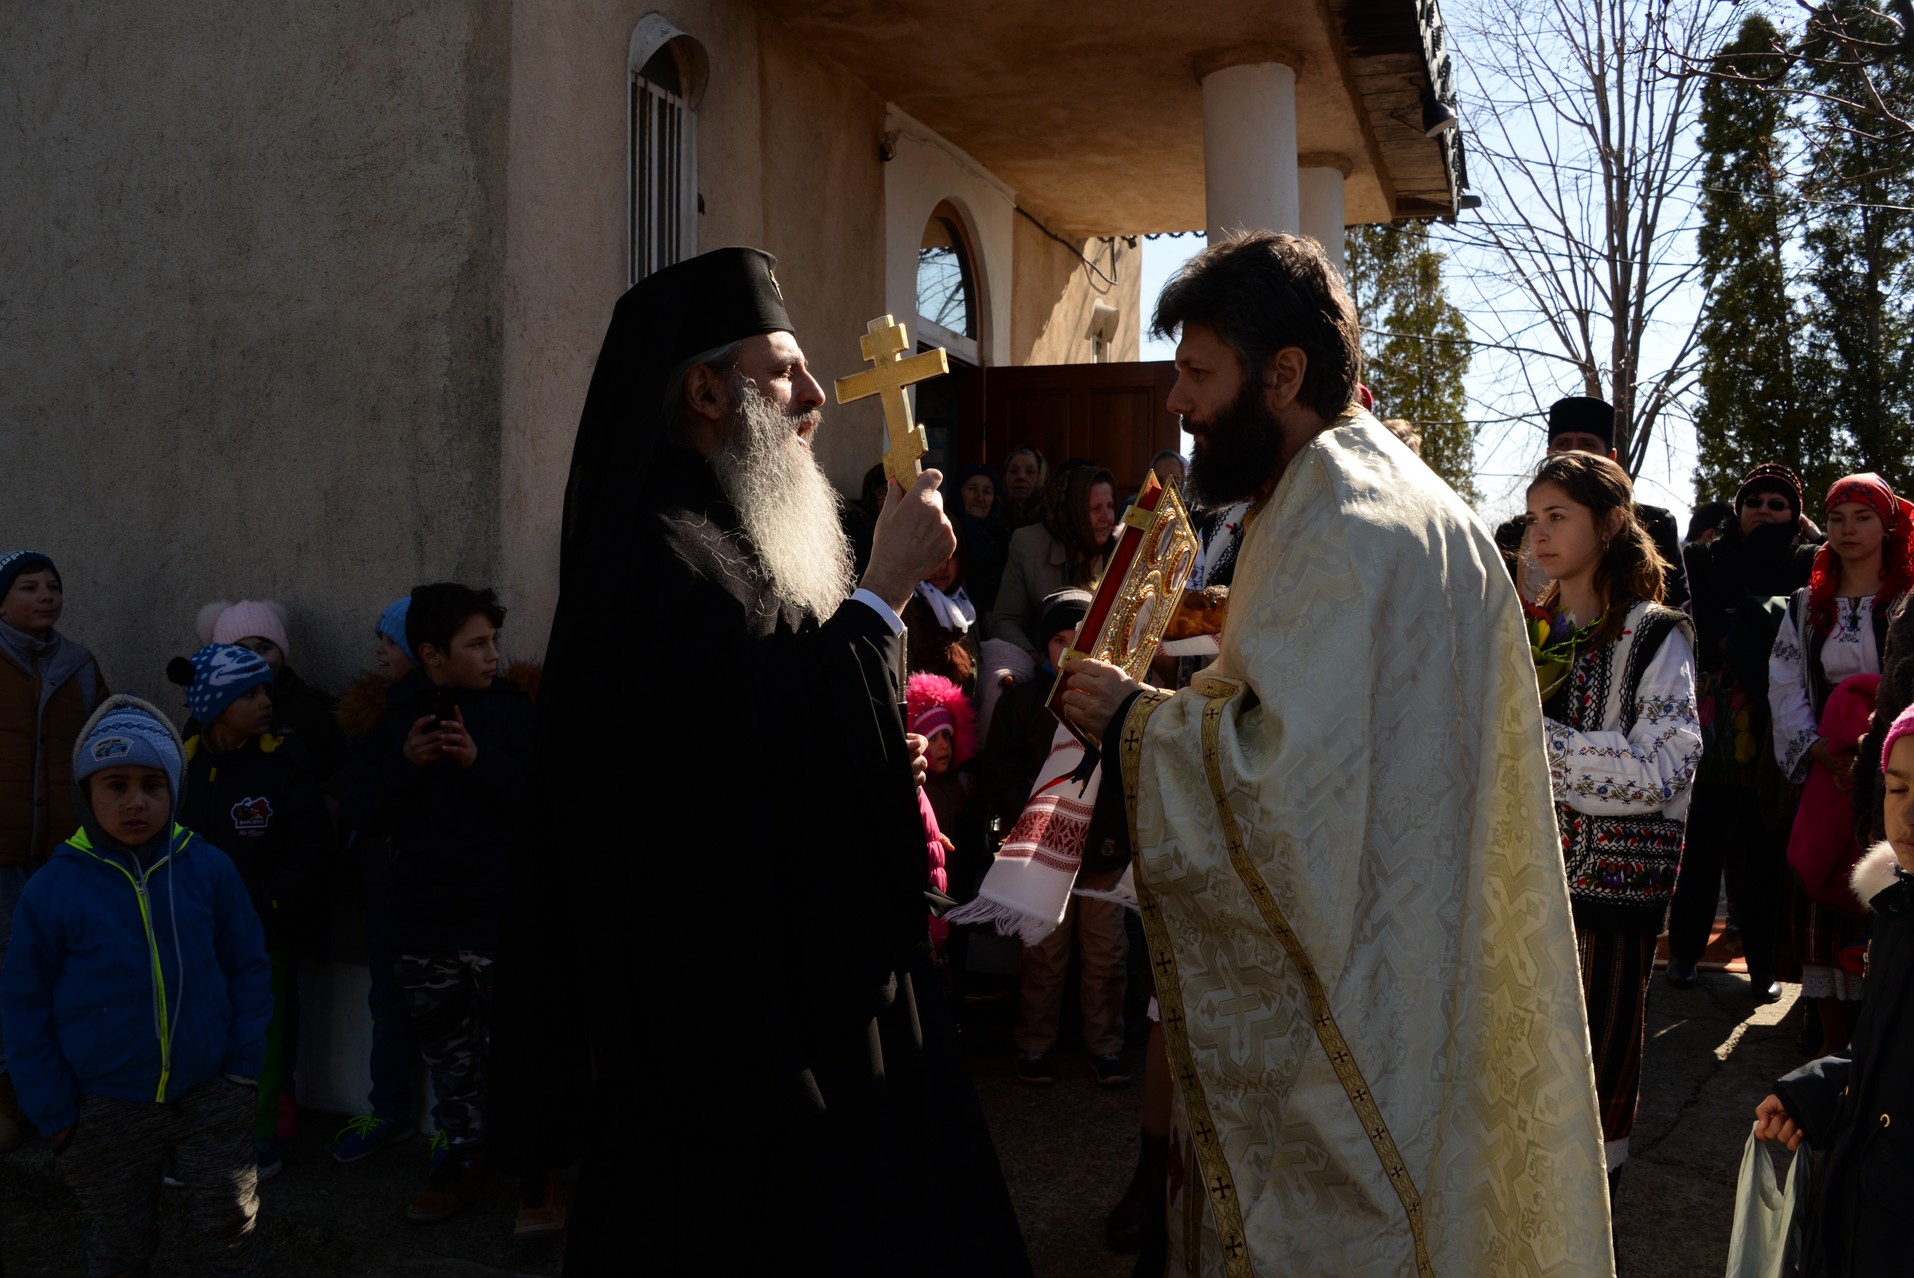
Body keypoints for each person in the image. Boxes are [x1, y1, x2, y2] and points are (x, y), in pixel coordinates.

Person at [1057, 231, 1612, 1273]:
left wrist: (1133, 721)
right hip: (1420, 954)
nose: (1177, 401)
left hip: (1359, 998)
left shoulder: (1341, 515)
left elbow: (1283, 778)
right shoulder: (1392, 494)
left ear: (1285, 374)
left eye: (1197, 372)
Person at [490, 246, 1029, 1274]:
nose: (817, 395)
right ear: (704, 391)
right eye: (783, 369)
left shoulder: (729, 532)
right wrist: (879, 601)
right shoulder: (655, 556)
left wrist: (879, 739)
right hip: (717, 1035)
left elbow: (786, 731)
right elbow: (740, 762)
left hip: (786, 1002)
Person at [0, 695, 272, 1275]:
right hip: (101, 1104)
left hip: (209, 1092)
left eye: (153, 784)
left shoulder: (209, 868)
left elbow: (248, 964)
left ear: (175, 789)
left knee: (230, 1223)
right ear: (85, 793)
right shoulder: (54, 889)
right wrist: (54, 1111)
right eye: (115, 785)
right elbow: (24, 1005)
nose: (135, 802)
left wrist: (242, 1068)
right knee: (120, 1237)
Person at [334, 582, 549, 1229]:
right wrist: (405, 764)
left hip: (499, 921)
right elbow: (365, 813)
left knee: (518, 1053)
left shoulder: (513, 712)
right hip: (425, 927)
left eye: (493, 641)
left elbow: (545, 805)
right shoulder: (393, 718)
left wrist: (479, 761)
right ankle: (466, 1164)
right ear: (430, 653)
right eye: (475, 644)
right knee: (450, 1061)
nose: (491, 655)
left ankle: (537, 1180)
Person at [1526, 452, 1701, 1194]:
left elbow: (1662, 769)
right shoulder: (1533, 631)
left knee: (1593, 1085)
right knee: (1525, 1079)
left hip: (1609, 901)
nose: (1539, 533)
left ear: (1612, 522)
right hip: (1527, 886)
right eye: (1533, 517)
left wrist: (1537, 741)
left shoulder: (1656, 635)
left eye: (1557, 516)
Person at [1753, 701, 1914, 1278]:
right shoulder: (1897, 912)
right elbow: (1880, 1052)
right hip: (1861, 1209)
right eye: (1897, 790)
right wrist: (1812, 1093)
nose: (1909, 815)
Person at [169, 643, 329, 1181]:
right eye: (249, 693)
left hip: (265, 932)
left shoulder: (281, 763)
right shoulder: (183, 768)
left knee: (261, 1037)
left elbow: (310, 845)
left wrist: (274, 902)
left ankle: (256, 1144)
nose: (265, 701)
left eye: (267, 690)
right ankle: (198, 1138)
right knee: (196, 1035)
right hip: (194, 935)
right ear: (215, 705)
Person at [1769, 472, 1913, 1056]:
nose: (1848, 529)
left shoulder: (1907, 601)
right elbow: (1784, 684)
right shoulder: (1807, 606)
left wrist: (1881, 753)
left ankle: (1880, 1042)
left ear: (1888, 525)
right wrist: (1817, 749)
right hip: (1825, 766)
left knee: (1884, 890)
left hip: (1893, 763)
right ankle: (1829, 1043)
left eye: (1863, 517)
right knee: (1820, 882)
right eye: (1836, 518)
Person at [1667, 464, 1818, 994]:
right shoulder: (1706, 557)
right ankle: (1683, 954)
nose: (1766, 512)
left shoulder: (1804, 561)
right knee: (1702, 844)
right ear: (1738, 508)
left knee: (1762, 853)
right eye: (1756, 502)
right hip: (1713, 719)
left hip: (1775, 717)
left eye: (1780, 505)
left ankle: (1763, 967)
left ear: (1796, 516)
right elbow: (1702, 625)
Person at [0, 549, 110, 1152]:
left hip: (63, 853)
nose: (45, 596)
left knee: (60, 974)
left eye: (54, 586)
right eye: (28, 587)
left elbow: (107, 751)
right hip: (2, 853)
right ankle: (9, 1099)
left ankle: (57, 1099)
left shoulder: (80, 666)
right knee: (8, 977)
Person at [328, 598, 425, 1163]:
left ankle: (462, 1128)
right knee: (387, 1002)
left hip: (437, 891)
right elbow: (361, 798)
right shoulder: (369, 716)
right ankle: (389, 1110)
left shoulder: (450, 711)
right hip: (384, 892)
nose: (379, 652)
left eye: (389, 641)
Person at [1493, 398, 1692, 610]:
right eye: (1563, 444)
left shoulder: (1656, 524)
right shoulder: (1513, 534)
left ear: (1611, 458)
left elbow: (1675, 610)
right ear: (1549, 455)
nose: (1574, 454)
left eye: (1588, 444)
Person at [199, 600, 348, 784]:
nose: (254, 659)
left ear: (281, 651)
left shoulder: (315, 712)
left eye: (264, 648)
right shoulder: (205, 718)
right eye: (239, 650)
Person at [987, 463, 1117, 655]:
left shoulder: (1117, 549)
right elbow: (1005, 620)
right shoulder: (1028, 544)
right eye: (1095, 509)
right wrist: (1034, 659)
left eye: (1110, 506)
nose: (1106, 517)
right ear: (1074, 510)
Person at [949, 462, 1009, 611]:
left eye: (987, 491)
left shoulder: (1002, 540)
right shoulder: (946, 533)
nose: (979, 498)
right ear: (959, 492)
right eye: (972, 489)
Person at [1000, 445, 1048, 529]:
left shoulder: (1051, 521)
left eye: (1030, 471)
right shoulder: (990, 516)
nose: (1021, 477)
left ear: (1041, 477)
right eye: (1013, 471)